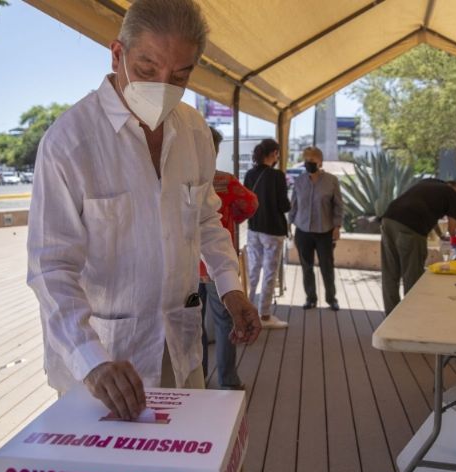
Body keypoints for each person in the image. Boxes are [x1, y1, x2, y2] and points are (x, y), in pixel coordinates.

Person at [26, 0, 261, 421]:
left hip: (179, 347)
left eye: (181, 76)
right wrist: (91, 361)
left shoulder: (193, 132)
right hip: (104, 363)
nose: (163, 86)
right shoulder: (70, 142)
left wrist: (230, 286)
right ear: (117, 55)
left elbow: (205, 218)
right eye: (148, 69)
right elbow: (51, 267)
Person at [200, 127, 258, 389]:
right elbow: (250, 205)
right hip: (220, 266)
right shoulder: (227, 182)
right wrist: (230, 219)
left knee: (191, 325)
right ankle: (228, 380)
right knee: (225, 321)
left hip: (187, 268)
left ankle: (197, 380)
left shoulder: (176, 182)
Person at [380, 179, 456, 315]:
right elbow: (453, 228)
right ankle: (412, 316)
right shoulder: (453, 194)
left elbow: (429, 214)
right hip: (411, 227)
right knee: (412, 275)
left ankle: (391, 317)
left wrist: (440, 235)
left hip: (388, 219)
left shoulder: (429, 184)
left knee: (390, 272)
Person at [289, 146, 344, 311]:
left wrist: (337, 226)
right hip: (303, 231)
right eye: (306, 161)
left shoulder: (331, 181)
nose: (308, 164)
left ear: (320, 162)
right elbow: (294, 205)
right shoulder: (299, 181)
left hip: (324, 232)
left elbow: (338, 206)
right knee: (307, 267)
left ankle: (331, 298)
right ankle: (310, 298)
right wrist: (288, 225)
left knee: (327, 267)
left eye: (312, 161)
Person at [243, 138, 290, 328]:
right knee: (270, 272)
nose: (278, 157)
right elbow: (284, 205)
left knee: (253, 270)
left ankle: (246, 310)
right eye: (277, 153)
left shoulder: (249, 175)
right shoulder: (277, 176)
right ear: (272, 154)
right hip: (273, 230)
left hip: (254, 228)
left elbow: (245, 202)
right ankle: (264, 315)